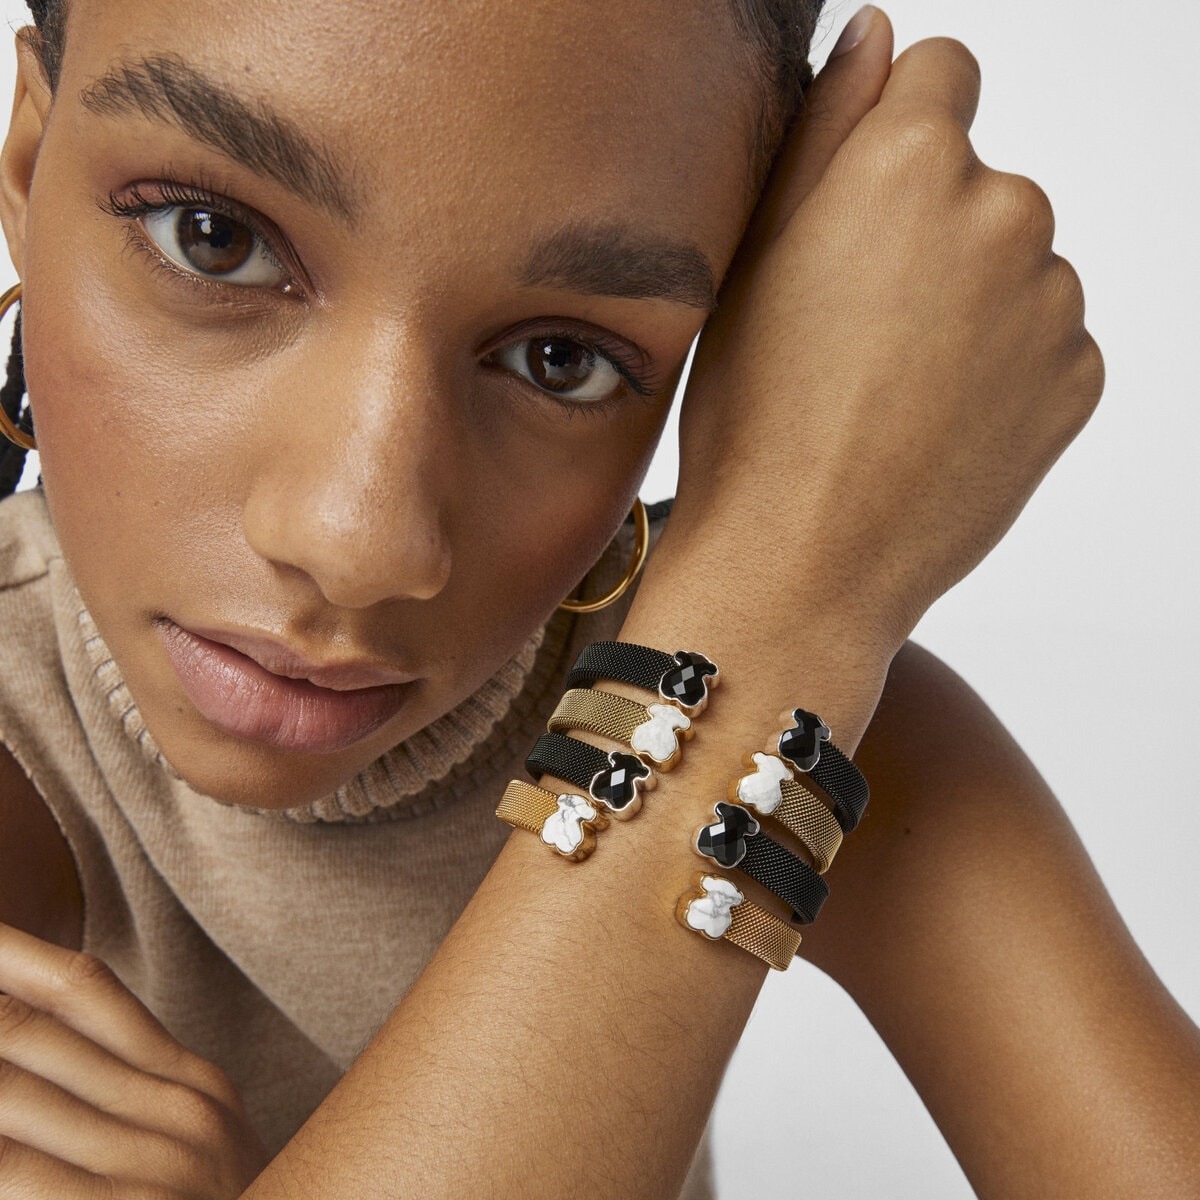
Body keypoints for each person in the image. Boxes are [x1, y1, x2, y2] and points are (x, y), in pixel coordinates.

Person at [0, 0, 1190, 1196]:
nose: (360, 542)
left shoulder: (821, 723)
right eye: (214, 241)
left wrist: (783, 591)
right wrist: (772, 643)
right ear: (27, 166)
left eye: (559, 358)